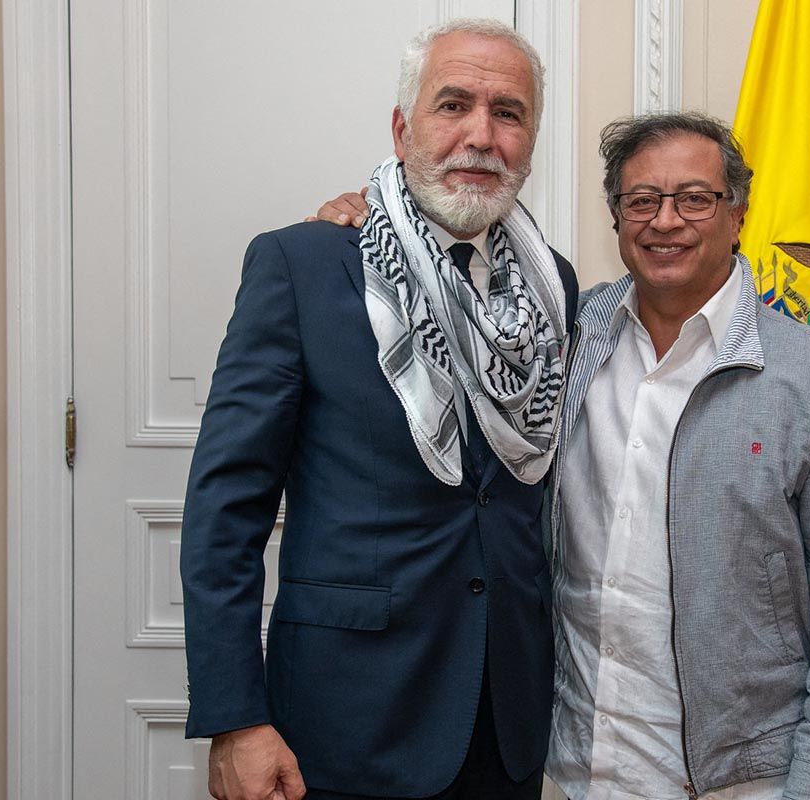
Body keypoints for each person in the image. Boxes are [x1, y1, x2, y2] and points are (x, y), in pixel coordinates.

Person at [316, 112, 810, 799]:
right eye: (641, 200)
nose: (665, 221)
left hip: (744, 780)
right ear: (617, 217)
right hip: (572, 767)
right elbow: (444, 321)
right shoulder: (558, 336)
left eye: (695, 198)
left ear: (737, 214)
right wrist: (373, 223)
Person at [180, 18, 578, 800]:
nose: (481, 135)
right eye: (453, 105)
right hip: (346, 720)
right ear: (402, 130)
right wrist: (235, 717)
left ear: (529, 142)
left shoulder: (553, 285)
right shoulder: (304, 264)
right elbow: (227, 508)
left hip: (508, 724)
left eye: (508, 113)